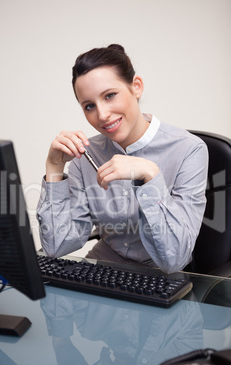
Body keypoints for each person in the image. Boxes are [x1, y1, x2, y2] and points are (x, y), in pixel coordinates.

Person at [37, 44, 208, 273]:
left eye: (110, 95)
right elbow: (56, 246)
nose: (102, 115)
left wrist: (151, 176)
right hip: (105, 269)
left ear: (136, 87)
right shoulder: (85, 154)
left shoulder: (189, 150)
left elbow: (173, 260)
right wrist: (55, 168)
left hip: (162, 277)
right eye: (89, 106)